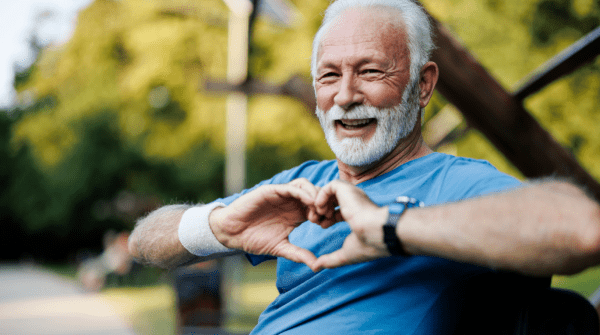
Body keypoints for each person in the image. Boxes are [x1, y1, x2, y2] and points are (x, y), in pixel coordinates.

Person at [128, 0, 548, 333]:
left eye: (370, 71)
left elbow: (573, 228)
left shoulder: (458, 185)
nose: (345, 95)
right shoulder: (301, 183)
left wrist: (391, 227)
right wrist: (218, 226)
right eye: (329, 76)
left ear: (423, 85)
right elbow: (144, 241)